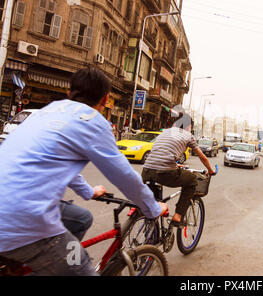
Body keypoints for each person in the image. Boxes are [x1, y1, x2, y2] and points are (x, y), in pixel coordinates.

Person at [0, 67, 168, 276]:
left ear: (69, 93)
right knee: (82, 269)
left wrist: (89, 191)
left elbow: (55, 161)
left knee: (81, 218)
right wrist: (152, 207)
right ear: (106, 100)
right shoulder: (92, 121)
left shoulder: (48, 110)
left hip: (10, 204)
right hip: (23, 220)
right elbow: (124, 175)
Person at [142, 111, 215, 228]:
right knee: (192, 180)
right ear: (187, 126)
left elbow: (163, 152)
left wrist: (175, 165)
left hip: (146, 171)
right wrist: (210, 170)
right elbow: (202, 156)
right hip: (164, 173)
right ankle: (178, 216)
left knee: (154, 203)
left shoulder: (165, 132)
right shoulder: (188, 136)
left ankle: (150, 235)